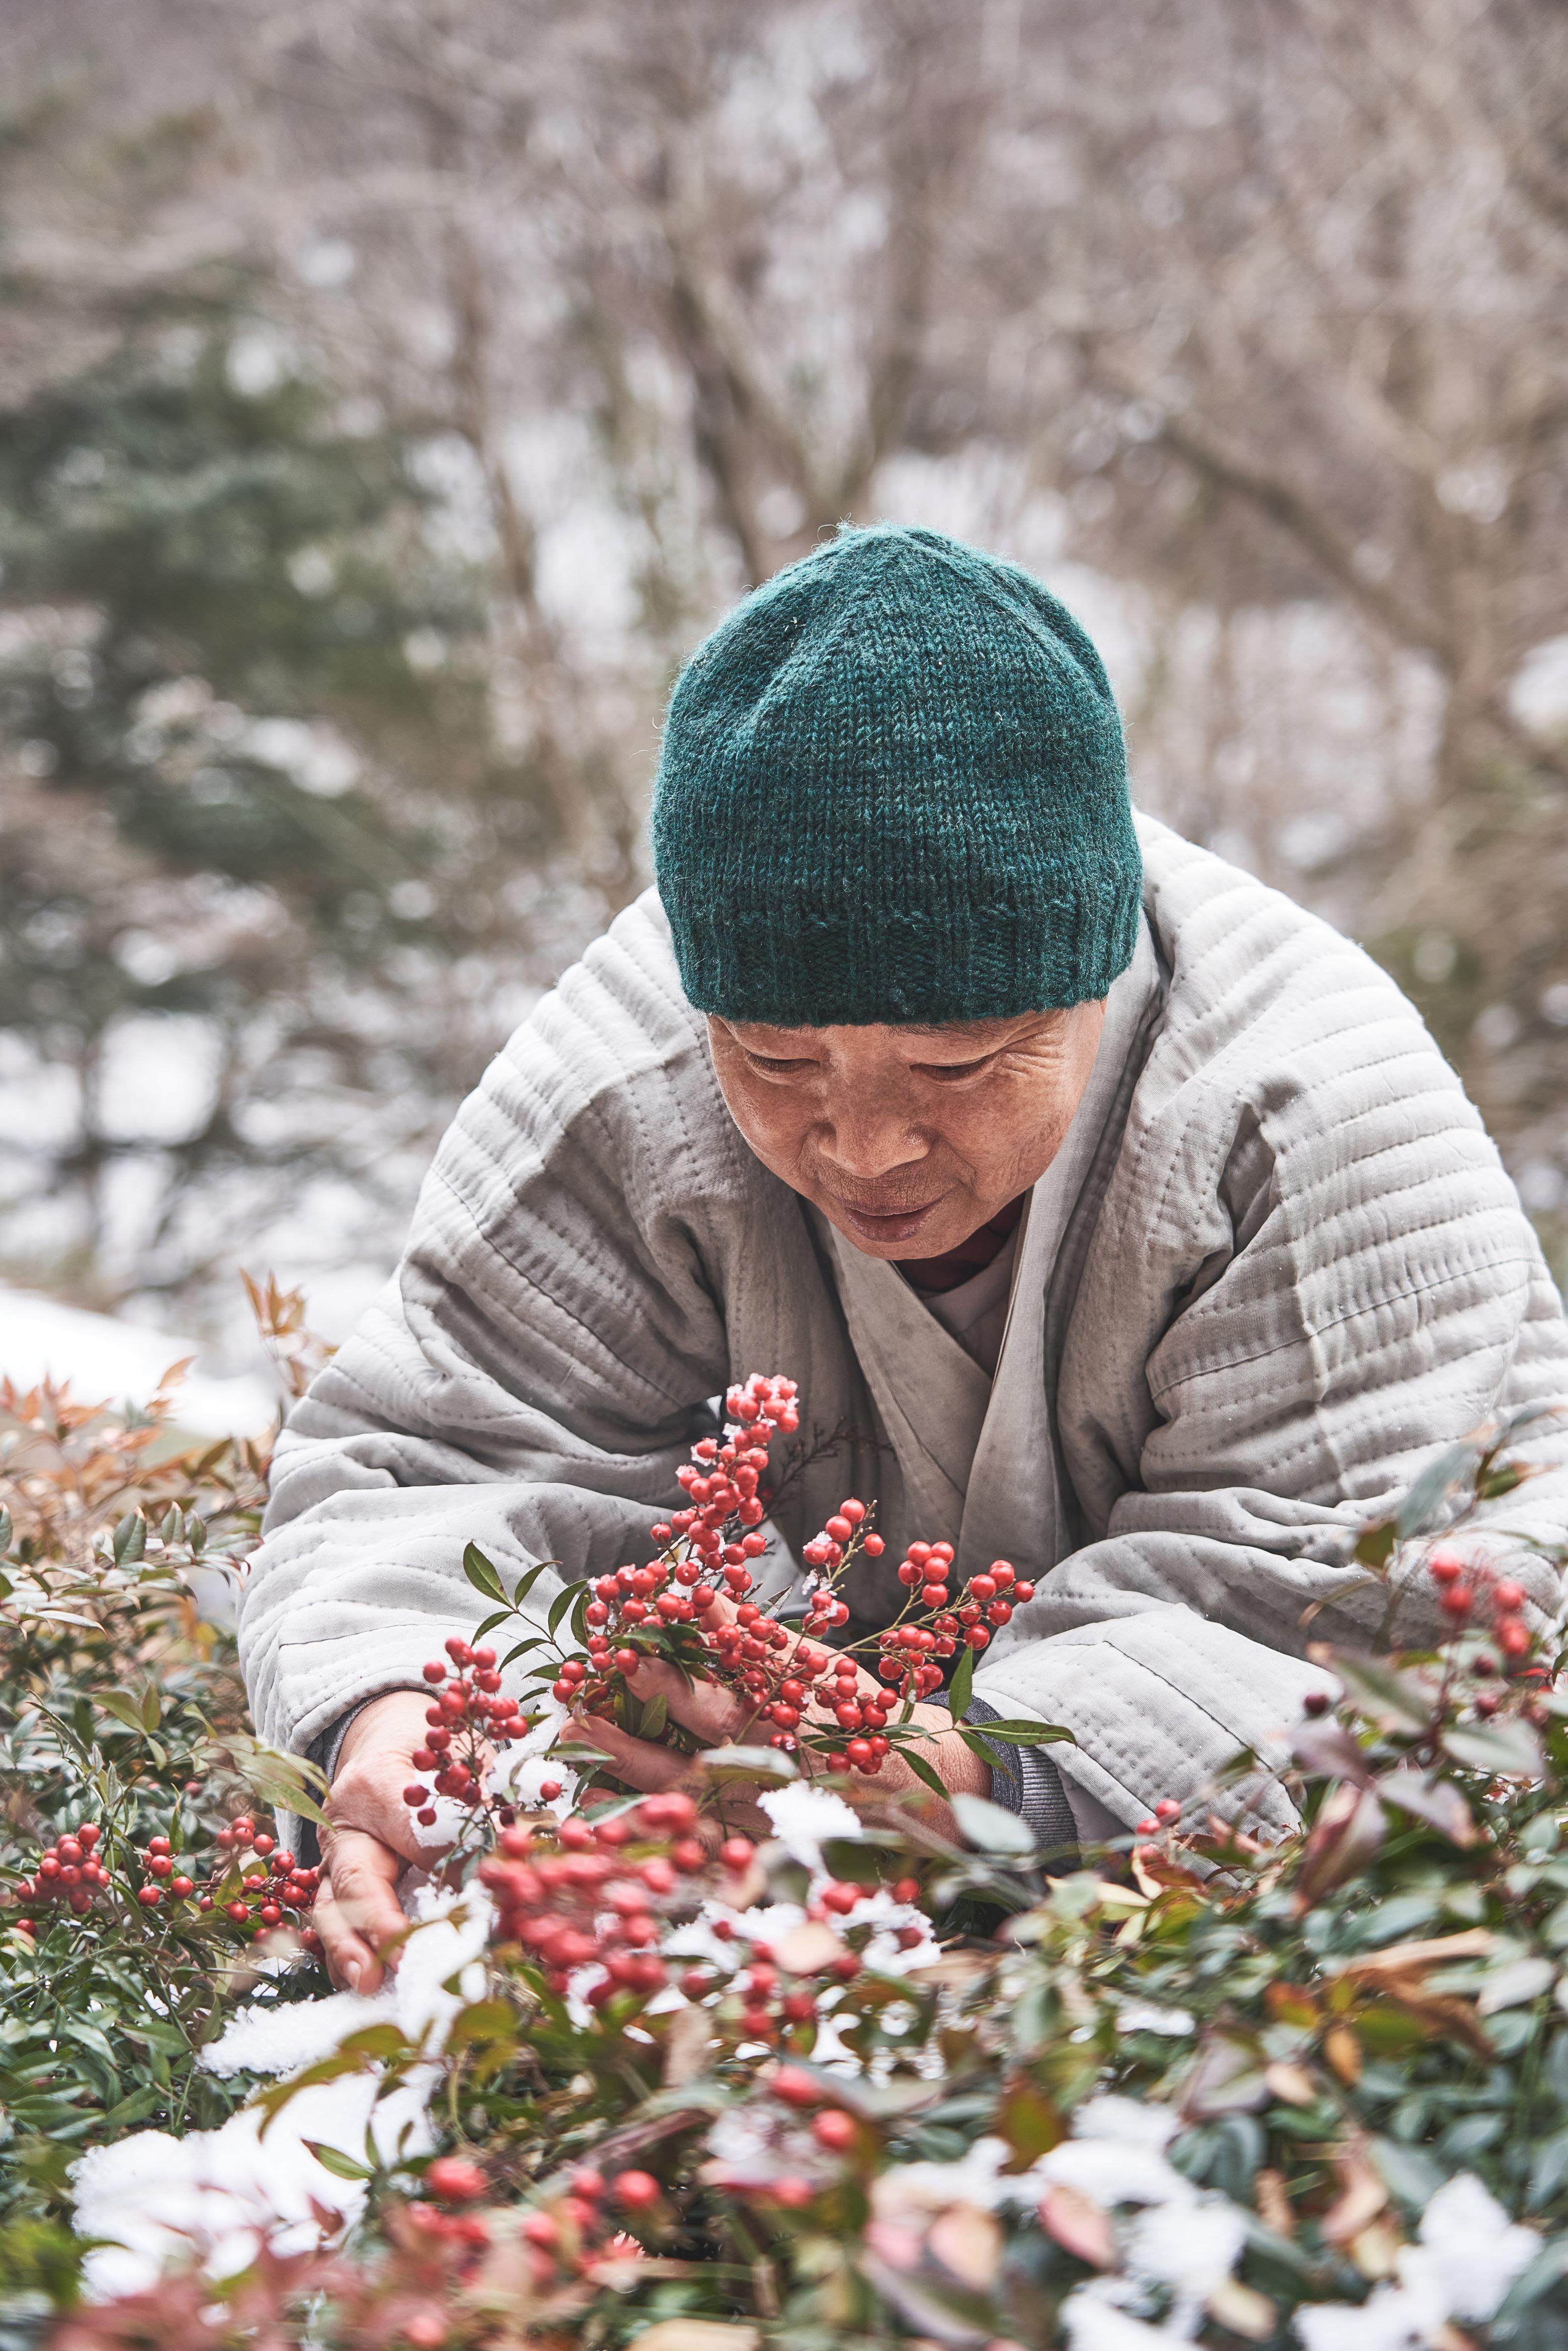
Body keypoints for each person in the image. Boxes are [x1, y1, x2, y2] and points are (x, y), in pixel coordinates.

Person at [241, 526, 1568, 1990]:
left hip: (1329, 1891)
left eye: (954, 1063)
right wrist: (403, 1706)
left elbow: (1349, 1617)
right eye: (780, 1059)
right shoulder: (629, 1063)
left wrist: (977, 1772)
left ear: (1091, 978)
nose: (864, 1146)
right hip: (835, 1798)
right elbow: (443, 1456)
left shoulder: (1306, 1103)